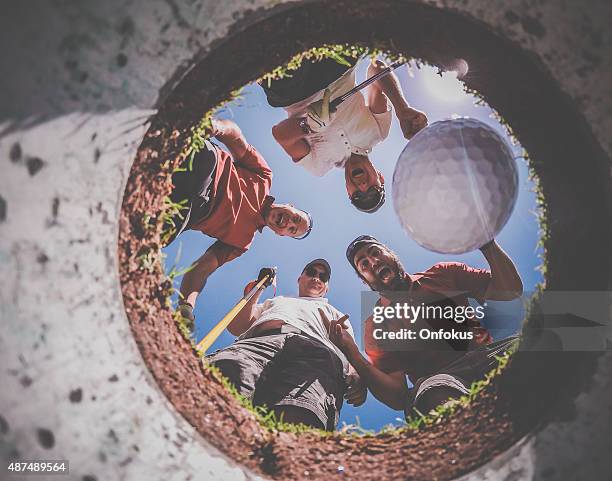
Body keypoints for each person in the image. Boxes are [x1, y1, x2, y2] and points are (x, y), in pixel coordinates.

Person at [324, 235, 523, 419]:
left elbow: (509, 291)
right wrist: (354, 355)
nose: (374, 262)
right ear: (364, 279)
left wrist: (487, 244)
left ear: (391, 254)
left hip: (488, 355)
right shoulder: (377, 325)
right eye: (364, 264)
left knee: (528, 344)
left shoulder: (443, 273)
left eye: (376, 253)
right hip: (440, 379)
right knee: (433, 396)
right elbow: (397, 396)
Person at [168, 118, 313, 328]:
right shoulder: (264, 177)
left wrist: (186, 305)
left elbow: (203, 268)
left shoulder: (241, 243)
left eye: (292, 229)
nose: (288, 222)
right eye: (295, 218)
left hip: (191, 211)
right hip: (208, 165)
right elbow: (236, 138)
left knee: (160, 234)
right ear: (290, 205)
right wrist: (215, 127)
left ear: (281, 234)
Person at [205, 259, 367, 430]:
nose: (317, 278)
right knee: (226, 374)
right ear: (300, 278)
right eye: (311, 272)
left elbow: (349, 347)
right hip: (261, 341)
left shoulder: (336, 313)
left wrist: (358, 373)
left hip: (316, 354)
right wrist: (258, 289)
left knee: (302, 411)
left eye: (323, 277)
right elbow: (237, 326)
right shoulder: (276, 301)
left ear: (326, 288)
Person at [264, 57, 428, 213]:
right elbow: (376, 68)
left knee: (280, 80)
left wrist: (307, 126)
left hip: (294, 93)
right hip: (338, 70)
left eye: (357, 196)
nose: (363, 186)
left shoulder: (319, 165)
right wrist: (402, 109)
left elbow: (280, 134)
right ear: (380, 177)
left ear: (348, 192)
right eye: (372, 191)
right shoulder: (379, 132)